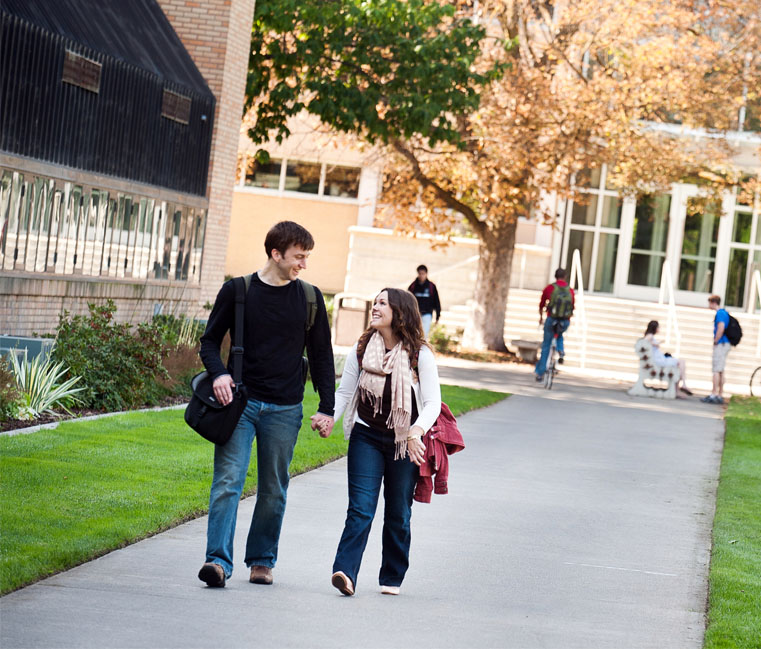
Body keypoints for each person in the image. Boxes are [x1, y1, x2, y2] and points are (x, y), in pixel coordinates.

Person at [196, 221, 335, 588]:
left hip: (286, 408)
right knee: (228, 482)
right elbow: (209, 342)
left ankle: (261, 560)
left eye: (306, 257)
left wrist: (326, 406)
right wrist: (219, 374)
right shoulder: (237, 291)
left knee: (274, 488)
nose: (303, 264)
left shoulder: (309, 297)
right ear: (276, 254)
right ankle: (217, 563)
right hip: (239, 405)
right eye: (298, 257)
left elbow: (321, 355)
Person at [323, 288, 442, 597]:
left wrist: (416, 431)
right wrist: (329, 418)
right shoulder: (362, 348)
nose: (374, 307)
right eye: (374, 302)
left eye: (382, 304)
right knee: (361, 509)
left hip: (405, 441)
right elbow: (345, 392)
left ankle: (392, 576)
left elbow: (432, 404)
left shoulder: (420, 354)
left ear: (399, 312)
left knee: (399, 512)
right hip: (367, 436)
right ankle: (345, 572)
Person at [534, 268, 575, 382]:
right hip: (564, 321)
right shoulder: (570, 290)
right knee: (559, 335)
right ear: (565, 277)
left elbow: (542, 304)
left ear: (555, 276)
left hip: (551, 319)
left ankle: (540, 373)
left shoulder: (550, 288)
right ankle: (561, 351)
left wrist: (541, 317)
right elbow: (572, 306)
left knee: (546, 345)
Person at [643, 320, 692, 396]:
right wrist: (655, 344)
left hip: (659, 359)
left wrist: (656, 343)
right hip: (659, 361)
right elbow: (644, 342)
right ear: (655, 328)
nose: (659, 329)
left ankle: (678, 389)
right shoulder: (650, 336)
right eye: (658, 327)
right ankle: (683, 385)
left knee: (680, 364)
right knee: (681, 362)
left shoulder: (650, 336)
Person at [701, 295, 731, 405]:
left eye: (710, 303)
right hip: (725, 344)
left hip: (721, 344)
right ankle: (720, 394)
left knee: (716, 369)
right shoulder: (724, 313)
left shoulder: (720, 313)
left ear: (713, 302)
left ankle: (715, 393)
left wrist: (715, 341)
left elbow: (721, 327)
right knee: (721, 369)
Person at [408, 265, 441, 336]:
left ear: (426, 274)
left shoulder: (431, 286)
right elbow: (407, 300)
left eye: (423, 274)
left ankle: (422, 347)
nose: (421, 276)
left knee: (424, 334)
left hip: (427, 313)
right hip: (415, 314)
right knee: (414, 334)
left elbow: (436, 301)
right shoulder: (413, 286)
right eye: (420, 273)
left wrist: (437, 315)